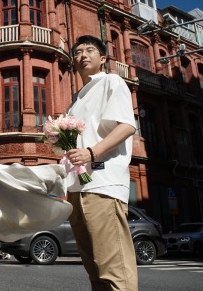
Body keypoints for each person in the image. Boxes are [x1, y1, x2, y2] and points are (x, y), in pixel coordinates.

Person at [65, 35, 138, 290]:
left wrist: (92, 153)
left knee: (114, 271)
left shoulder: (111, 81)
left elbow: (127, 126)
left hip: (103, 185)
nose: (83, 54)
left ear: (103, 58)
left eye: (90, 50)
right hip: (77, 189)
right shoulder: (76, 100)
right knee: (95, 272)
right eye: (77, 52)